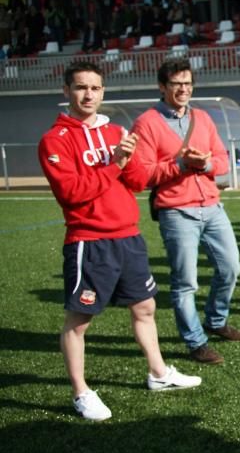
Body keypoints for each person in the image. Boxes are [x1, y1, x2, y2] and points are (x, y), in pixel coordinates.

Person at [39, 61, 201, 421]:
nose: (88, 95)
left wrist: (176, 163)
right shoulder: (55, 139)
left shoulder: (116, 131)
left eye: (95, 88)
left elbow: (137, 181)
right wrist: (114, 164)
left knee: (145, 307)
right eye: (81, 88)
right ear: (66, 92)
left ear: (103, 92)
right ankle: (81, 392)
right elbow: (72, 193)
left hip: (128, 235)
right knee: (79, 320)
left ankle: (158, 373)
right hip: (89, 240)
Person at [134, 58, 240, 365]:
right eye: (176, 84)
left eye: (188, 83)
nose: (183, 89)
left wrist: (206, 164)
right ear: (162, 86)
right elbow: (141, 174)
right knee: (185, 282)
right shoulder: (147, 123)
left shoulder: (203, 117)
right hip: (176, 210)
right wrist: (180, 165)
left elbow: (223, 160)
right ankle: (195, 340)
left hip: (211, 205)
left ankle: (216, 319)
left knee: (231, 267)